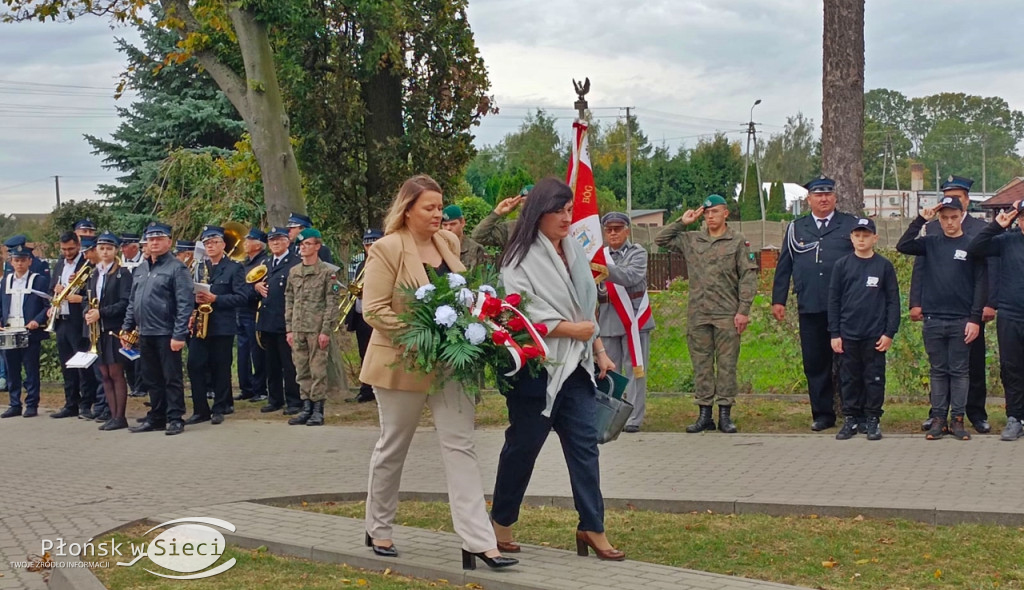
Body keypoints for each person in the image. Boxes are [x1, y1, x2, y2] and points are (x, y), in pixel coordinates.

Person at [361, 174, 517, 570]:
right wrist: (425, 332)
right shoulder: (386, 248)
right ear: (408, 209)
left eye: (440, 206)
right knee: (393, 447)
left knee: (461, 447)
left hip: (452, 364)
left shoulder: (448, 242)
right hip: (402, 363)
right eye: (429, 208)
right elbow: (373, 310)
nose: (438, 214)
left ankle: (479, 541)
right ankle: (378, 526)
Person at [490, 177, 622, 562]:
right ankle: (501, 523)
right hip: (536, 368)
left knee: (584, 446)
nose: (567, 219)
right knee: (523, 448)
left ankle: (592, 526)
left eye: (569, 211)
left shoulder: (575, 250)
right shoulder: (519, 257)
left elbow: (585, 305)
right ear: (539, 213)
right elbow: (519, 308)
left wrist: (597, 348)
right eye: (560, 211)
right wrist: (567, 329)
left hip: (577, 367)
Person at [656, 195, 757, 433]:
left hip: (726, 313)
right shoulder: (692, 240)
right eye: (707, 213)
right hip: (699, 314)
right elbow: (661, 239)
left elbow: (748, 277)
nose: (711, 217)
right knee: (701, 365)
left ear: (725, 214)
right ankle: (704, 415)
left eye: (715, 212)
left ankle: (725, 414)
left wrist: (743, 311)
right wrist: (683, 222)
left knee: (726, 365)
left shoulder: (737, 241)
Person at [771, 175, 858, 431]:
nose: (823, 199)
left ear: (835, 197)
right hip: (810, 305)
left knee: (848, 362)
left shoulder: (850, 225)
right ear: (809, 199)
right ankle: (822, 414)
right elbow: (784, 265)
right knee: (815, 363)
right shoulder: (796, 228)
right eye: (818, 195)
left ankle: (854, 413)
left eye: (828, 194)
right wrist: (779, 300)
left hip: (845, 307)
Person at [911, 176, 995, 434]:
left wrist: (988, 303)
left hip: (970, 309)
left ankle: (975, 413)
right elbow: (921, 265)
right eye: (946, 195)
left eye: (957, 196)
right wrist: (916, 301)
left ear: (967, 200)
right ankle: (938, 415)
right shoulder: (934, 228)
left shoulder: (980, 228)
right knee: (940, 367)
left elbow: (989, 269)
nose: (949, 216)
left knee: (972, 365)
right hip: (937, 310)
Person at [896, 197, 985, 441]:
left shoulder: (972, 245)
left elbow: (980, 283)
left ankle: (957, 420)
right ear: (939, 219)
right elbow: (902, 246)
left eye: (953, 217)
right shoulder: (930, 242)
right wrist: (921, 219)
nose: (949, 222)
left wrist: (975, 318)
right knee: (938, 371)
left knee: (959, 371)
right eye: (944, 218)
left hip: (962, 320)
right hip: (934, 319)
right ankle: (938, 419)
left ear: (961, 215)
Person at [828, 218, 900, 440]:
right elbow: (834, 301)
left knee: (874, 378)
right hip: (848, 333)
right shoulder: (842, 265)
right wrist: (835, 333)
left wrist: (889, 333)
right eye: (857, 235)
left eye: (866, 235)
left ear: (875, 238)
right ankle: (851, 418)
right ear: (851, 238)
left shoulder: (884, 266)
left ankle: (872, 420)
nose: (861, 239)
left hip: (875, 335)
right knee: (849, 378)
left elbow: (893, 302)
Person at [121, 222, 194, 436]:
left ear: (168, 242)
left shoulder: (176, 267)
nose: (154, 243)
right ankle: (157, 415)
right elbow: (133, 301)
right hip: (145, 332)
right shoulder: (142, 268)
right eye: (151, 239)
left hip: (166, 332)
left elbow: (185, 303)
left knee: (171, 377)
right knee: (151, 377)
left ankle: (175, 417)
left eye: (159, 239)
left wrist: (179, 334)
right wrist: (127, 328)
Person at [968, 200, 1024, 441]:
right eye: (1022, 217)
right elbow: (975, 248)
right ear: (1018, 219)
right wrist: (996, 226)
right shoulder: (1007, 240)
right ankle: (1015, 417)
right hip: (1011, 313)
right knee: (1011, 368)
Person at [594, 211, 655, 433]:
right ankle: (609, 415)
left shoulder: (637, 253)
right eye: (609, 230)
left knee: (635, 370)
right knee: (610, 372)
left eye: (617, 229)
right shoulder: (599, 254)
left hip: (634, 319)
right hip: (609, 319)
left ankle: (633, 418)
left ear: (627, 230)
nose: (613, 233)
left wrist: (598, 265)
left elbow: (629, 277)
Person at [184, 225, 247, 426]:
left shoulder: (234, 267)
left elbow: (241, 297)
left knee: (220, 367)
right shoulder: (199, 267)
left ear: (223, 244)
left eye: (214, 242)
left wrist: (216, 298)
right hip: (200, 324)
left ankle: (220, 407)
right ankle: (200, 409)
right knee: (195, 365)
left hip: (222, 325)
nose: (210, 246)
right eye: (207, 243)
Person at [284, 228, 340, 426]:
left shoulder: (327, 273)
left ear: (317, 246)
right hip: (298, 328)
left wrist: (325, 330)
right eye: (301, 244)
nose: (303, 248)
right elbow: (289, 300)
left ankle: (318, 409)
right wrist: (289, 328)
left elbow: (331, 303)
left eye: (307, 244)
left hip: (316, 329)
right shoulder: (294, 272)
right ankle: (306, 406)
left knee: (318, 370)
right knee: (301, 369)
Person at [48, 232, 101, 419]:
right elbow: (52, 287)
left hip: (78, 320)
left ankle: (86, 403)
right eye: (63, 249)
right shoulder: (60, 264)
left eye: (71, 249)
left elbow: (93, 290)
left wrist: (77, 292)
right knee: (67, 365)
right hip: (61, 319)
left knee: (82, 364)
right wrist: (56, 291)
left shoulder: (87, 264)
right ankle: (71, 403)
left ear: (78, 245)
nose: (67, 253)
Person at [84, 232, 133, 431]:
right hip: (98, 331)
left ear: (116, 251)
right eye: (101, 248)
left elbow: (124, 303)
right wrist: (88, 313)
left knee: (115, 373)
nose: (105, 252)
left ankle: (120, 416)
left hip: (113, 329)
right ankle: (112, 416)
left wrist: (100, 313)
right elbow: (89, 299)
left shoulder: (122, 273)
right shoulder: (94, 273)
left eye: (109, 249)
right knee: (104, 373)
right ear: (96, 250)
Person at [255, 227, 302, 414]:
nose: (275, 243)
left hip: (286, 322)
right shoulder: (265, 263)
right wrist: (256, 287)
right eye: (272, 240)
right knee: (271, 364)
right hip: (267, 321)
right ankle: (275, 399)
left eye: (279, 240)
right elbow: (249, 289)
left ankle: (294, 401)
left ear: (287, 242)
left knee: (289, 365)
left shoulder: (295, 263)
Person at [0, 244, 50, 418]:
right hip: (9, 330)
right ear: (11, 262)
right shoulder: (5, 281)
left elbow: (48, 305)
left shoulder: (39, 280)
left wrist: (37, 320)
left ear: (29, 261)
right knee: (11, 369)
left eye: (22, 260)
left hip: (29, 330)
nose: (19, 263)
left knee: (31, 369)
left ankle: (31, 404)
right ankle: (14, 404)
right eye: (16, 260)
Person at [343, 229, 382, 404]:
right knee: (363, 353)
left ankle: (378, 388)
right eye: (367, 244)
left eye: (373, 244)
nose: (369, 247)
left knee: (378, 354)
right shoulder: (362, 264)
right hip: (360, 315)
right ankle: (366, 388)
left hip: (376, 315)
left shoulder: (384, 262)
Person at [235, 228, 269, 403]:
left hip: (255, 311)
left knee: (257, 351)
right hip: (241, 310)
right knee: (243, 352)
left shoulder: (264, 262)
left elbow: (262, 288)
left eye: (249, 240)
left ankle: (260, 388)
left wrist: (250, 290)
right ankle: (246, 387)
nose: (245, 243)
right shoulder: (245, 263)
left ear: (258, 244)